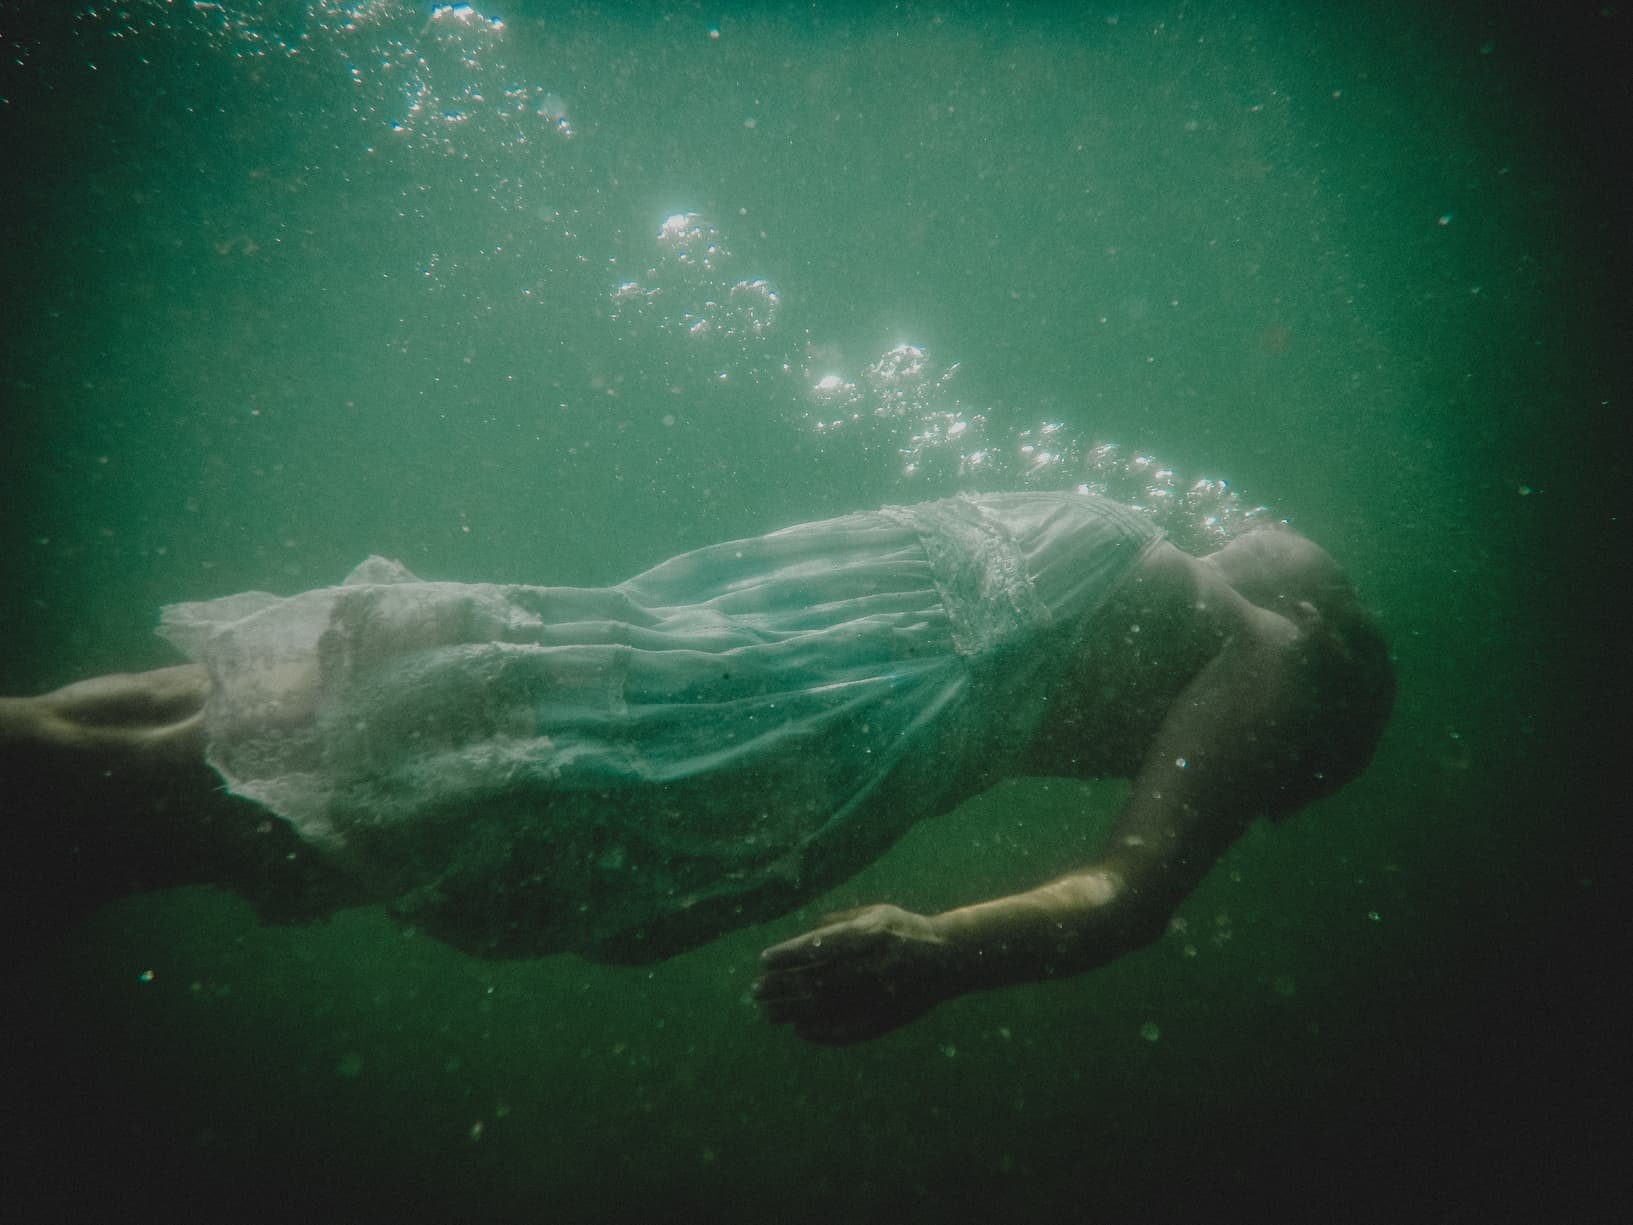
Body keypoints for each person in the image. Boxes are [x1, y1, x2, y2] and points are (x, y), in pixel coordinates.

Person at [1, 492, 1393, 1043]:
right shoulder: (1150, 549)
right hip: (688, 656)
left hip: (741, 722)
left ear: (1334, 646)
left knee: (213, 782)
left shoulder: (1278, 650)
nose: (1276, 516)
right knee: (206, 726)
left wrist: (949, 945)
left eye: (1348, 588)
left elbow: (1129, 887)